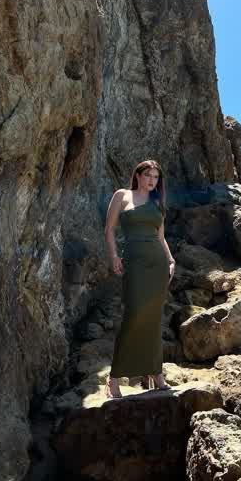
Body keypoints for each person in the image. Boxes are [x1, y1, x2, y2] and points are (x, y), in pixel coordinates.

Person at [104, 159, 176, 398]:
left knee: (153, 319)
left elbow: (161, 237)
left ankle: (156, 373)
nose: (152, 181)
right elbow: (109, 229)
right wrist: (114, 256)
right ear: (138, 175)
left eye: (156, 177)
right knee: (133, 314)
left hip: (157, 263)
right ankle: (114, 377)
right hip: (134, 261)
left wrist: (171, 260)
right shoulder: (122, 195)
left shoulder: (157, 202)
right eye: (148, 175)